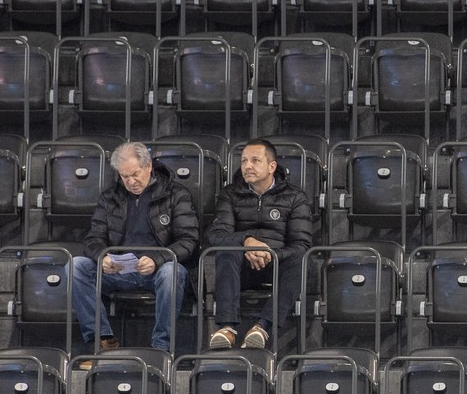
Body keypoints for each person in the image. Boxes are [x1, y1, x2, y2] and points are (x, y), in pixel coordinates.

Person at [70, 141, 198, 353]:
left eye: (135, 174)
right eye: (125, 176)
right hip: (119, 270)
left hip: (158, 270)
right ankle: (102, 340)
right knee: (76, 266)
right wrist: (103, 257)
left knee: (171, 272)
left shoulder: (176, 194)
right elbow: (93, 239)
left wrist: (157, 260)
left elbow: (188, 241)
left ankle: (162, 348)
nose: (131, 182)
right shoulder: (110, 197)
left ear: (149, 166)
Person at [206, 138, 314, 351]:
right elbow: (216, 235)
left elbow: (301, 243)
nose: (247, 166)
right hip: (242, 265)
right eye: (244, 161)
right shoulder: (230, 194)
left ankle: (262, 327)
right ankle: (227, 329)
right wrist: (247, 241)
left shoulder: (295, 197)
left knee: (303, 260)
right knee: (226, 251)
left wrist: (270, 254)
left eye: (255, 161)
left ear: (271, 166)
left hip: (276, 266)